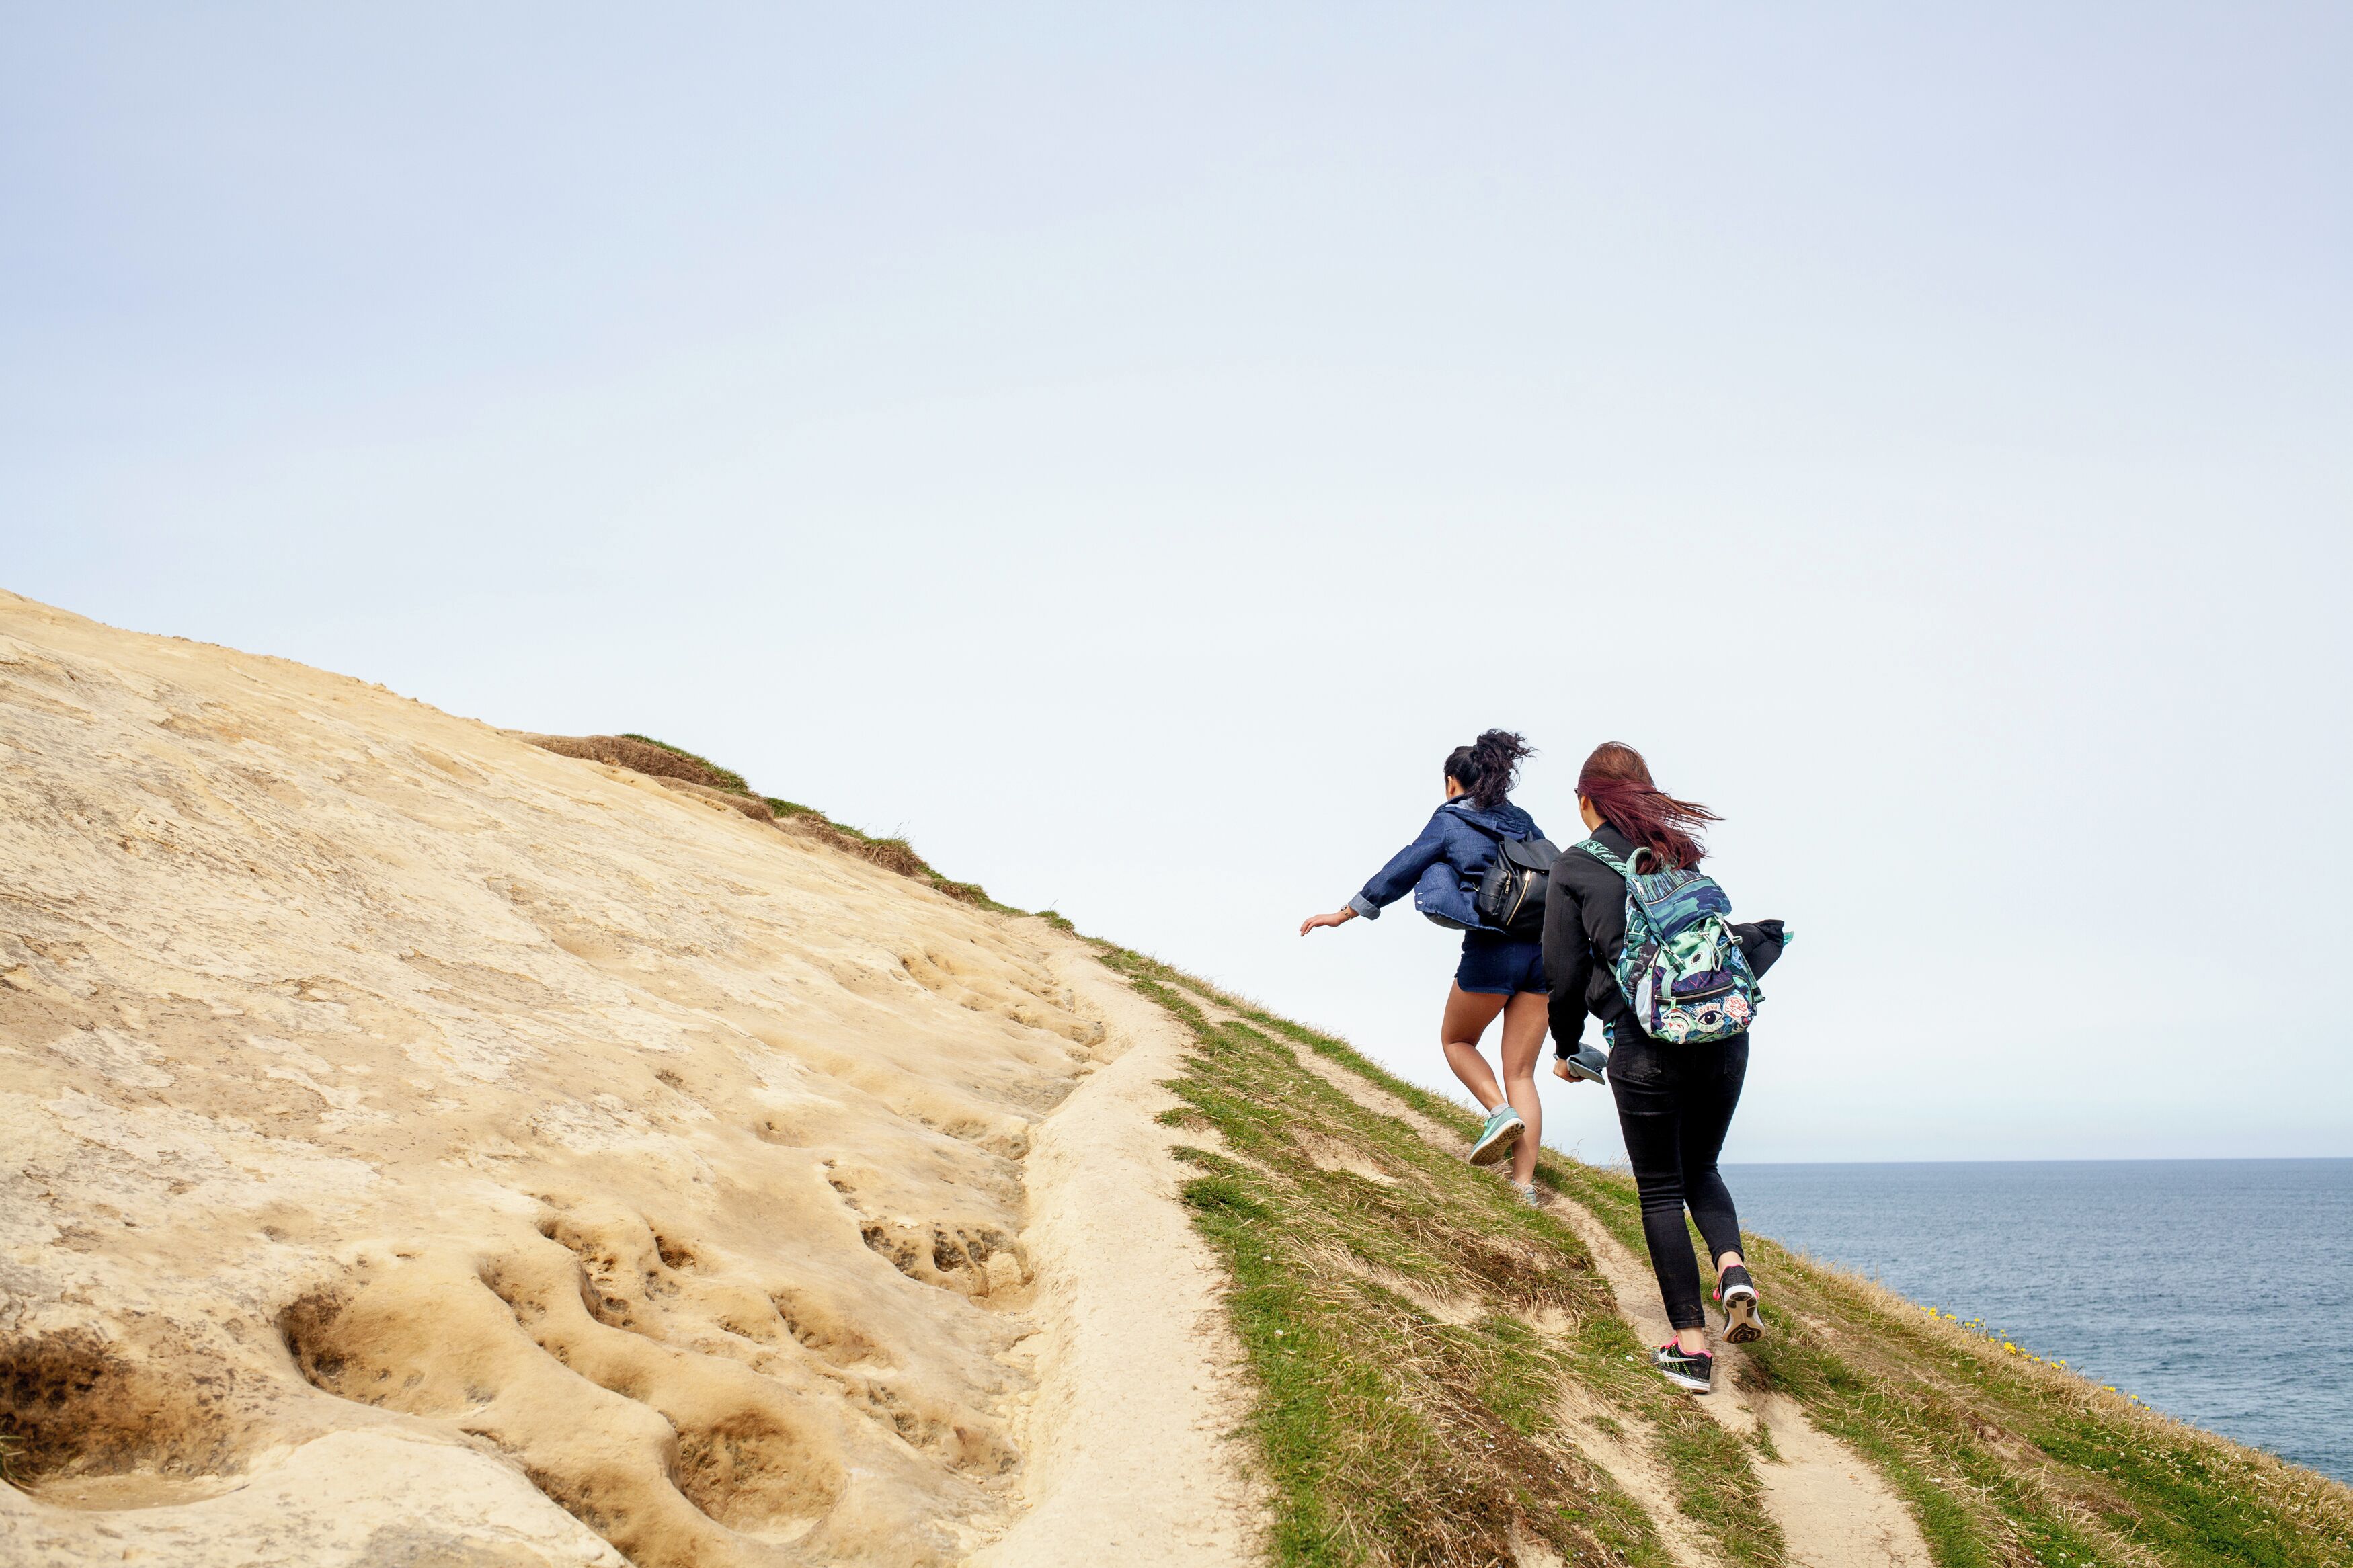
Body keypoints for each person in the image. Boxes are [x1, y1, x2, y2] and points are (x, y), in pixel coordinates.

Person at [1542, 741, 1775, 1395]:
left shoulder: (1574, 866)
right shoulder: (1676, 853)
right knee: (1701, 1166)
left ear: (1585, 799)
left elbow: (1560, 975)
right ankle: (1731, 1270)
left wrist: (1564, 1046)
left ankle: (1691, 1348)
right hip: (1722, 1032)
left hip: (1644, 1043)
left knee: (1660, 1188)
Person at [1299, 730, 1552, 1203]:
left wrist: (1345, 912)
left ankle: (1499, 1113)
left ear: (1453, 782)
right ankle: (1524, 1187)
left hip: (1492, 949)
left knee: (1457, 1040)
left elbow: (1403, 866)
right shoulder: (1523, 821)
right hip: (1541, 954)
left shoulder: (1450, 819)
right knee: (1522, 1073)